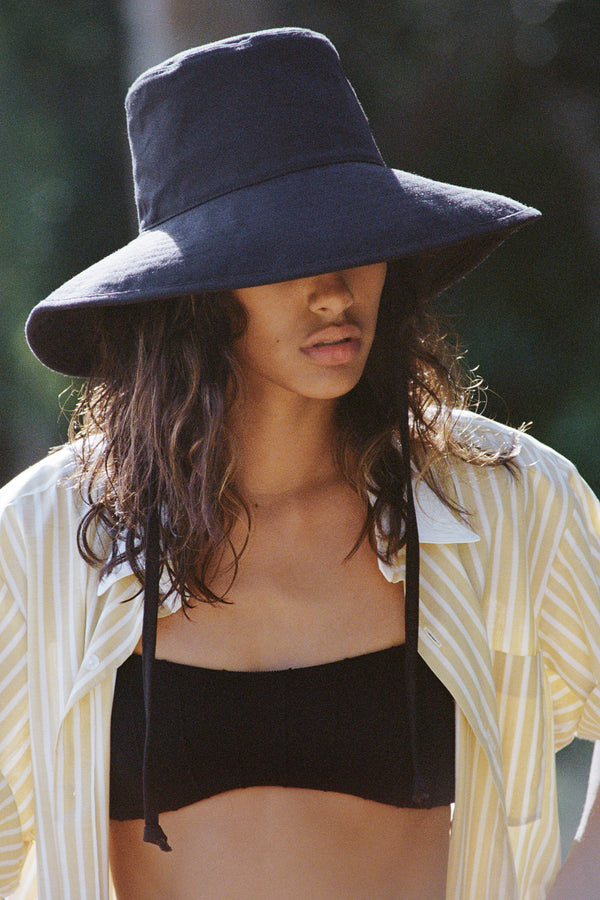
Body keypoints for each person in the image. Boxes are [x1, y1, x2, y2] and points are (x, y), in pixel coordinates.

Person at [0, 27, 599, 900]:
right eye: (281, 254)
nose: (333, 289)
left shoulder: (498, 499)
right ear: (195, 293)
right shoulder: (46, 537)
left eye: (352, 240)